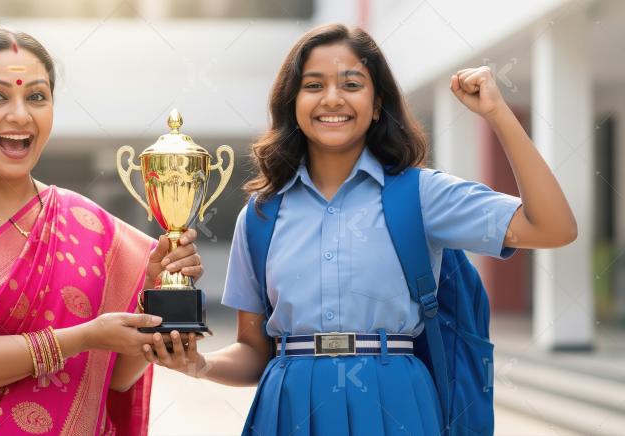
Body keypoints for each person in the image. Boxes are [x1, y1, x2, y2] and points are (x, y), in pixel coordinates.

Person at [142, 23, 577, 435]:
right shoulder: (261, 214)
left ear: (377, 104)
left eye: (351, 84)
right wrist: (197, 365)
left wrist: (498, 113)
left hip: (397, 401)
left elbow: (552, 227)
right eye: (313, 85)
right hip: (289, 405)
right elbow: (255, 351)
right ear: (292, 103)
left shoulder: (421, 195)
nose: (332, 98)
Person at [0, 27, 203, 435]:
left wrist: (156, 291)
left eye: (36, 97)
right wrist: (80, 338)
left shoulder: (87, 223)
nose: (20, 115)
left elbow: (114, 377)